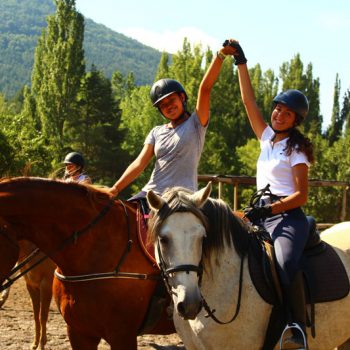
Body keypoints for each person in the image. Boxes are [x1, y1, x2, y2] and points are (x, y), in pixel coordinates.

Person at [224, 39, 314, 349]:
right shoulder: (265, 137)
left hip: (287, 217)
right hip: (260, 209)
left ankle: (295, 327)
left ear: (295, 121)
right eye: (277, 109)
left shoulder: (297, 149)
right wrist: (240, 63)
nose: (278, 114)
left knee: (285, 264)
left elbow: (301, 196)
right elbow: (248, 101)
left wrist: (268, 212)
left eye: (287, 114)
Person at [108, 44, 235, 200]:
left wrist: (220, 55)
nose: (168, 106)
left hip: (182, 198)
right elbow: (139, 163)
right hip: (152, 194)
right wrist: (115, 189)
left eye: (171, 100)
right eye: (163, 104)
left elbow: (205, 88)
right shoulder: (156, 132)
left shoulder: (196, 123)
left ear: (182, 97)